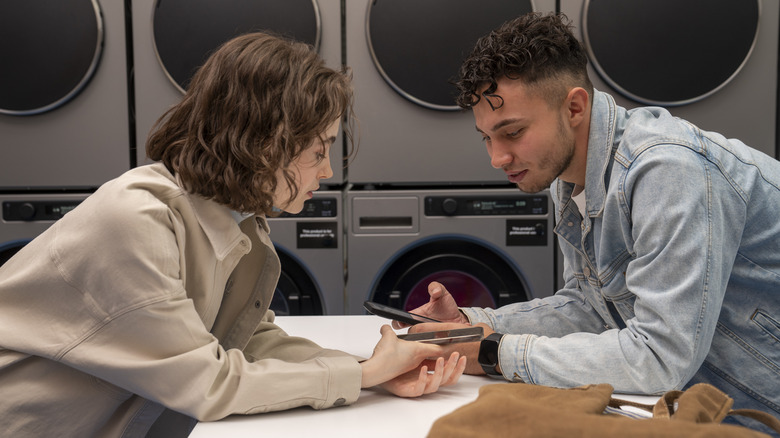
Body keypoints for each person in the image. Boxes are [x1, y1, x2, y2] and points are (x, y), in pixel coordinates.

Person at [0, 32, 466, 437]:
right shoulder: (135, 219)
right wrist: (361, 375)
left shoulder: (232, 214)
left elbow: (246, 339)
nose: (327, 170)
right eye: (319, 149)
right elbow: (209, 382)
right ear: (264, 142)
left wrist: (370, 373)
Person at [402, 12, 780, 435]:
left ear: (575, 107)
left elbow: (660, 356)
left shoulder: (668, 171)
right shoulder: (568, 179)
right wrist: (469, 326)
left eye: (513, 132)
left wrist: (493, 351)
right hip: (712, 408)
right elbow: (592, 307)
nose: (497, 158)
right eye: (487, 137)